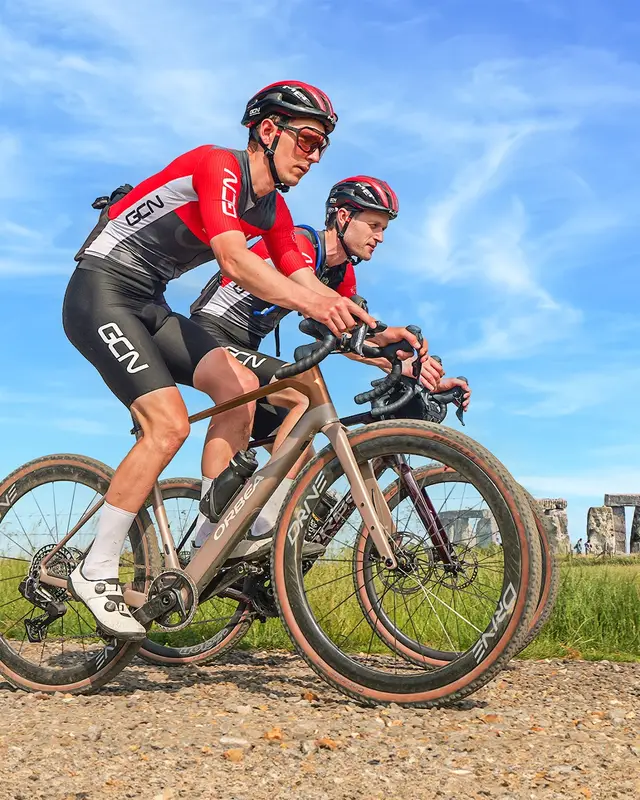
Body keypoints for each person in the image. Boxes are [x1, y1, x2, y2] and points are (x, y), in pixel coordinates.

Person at [63, 82, 427, 639]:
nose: (312, 155)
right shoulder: (218, 167)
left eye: (321, 147)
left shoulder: (275, 211)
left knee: (239, 392)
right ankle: (96, 568)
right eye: (306, 139)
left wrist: (377, 334)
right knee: (169, 426)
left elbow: (303, 280)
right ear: (267, 130)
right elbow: (234, 261)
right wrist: (323, 303)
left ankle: (219, 531)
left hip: (151, 305)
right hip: (101, 290)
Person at [189, 176, 470, 560]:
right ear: (342, 216)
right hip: (212, 333)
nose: (381, 237)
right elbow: (322, 303)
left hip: (246, 347)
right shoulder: (303, 244)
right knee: (303, 396)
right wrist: (383, 332)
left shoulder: (343, 275)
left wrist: (413, 369)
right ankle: (217, 535)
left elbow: (352, 341)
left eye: (384, 229)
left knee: (301, 453)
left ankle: (252, 542)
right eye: (373, 225)